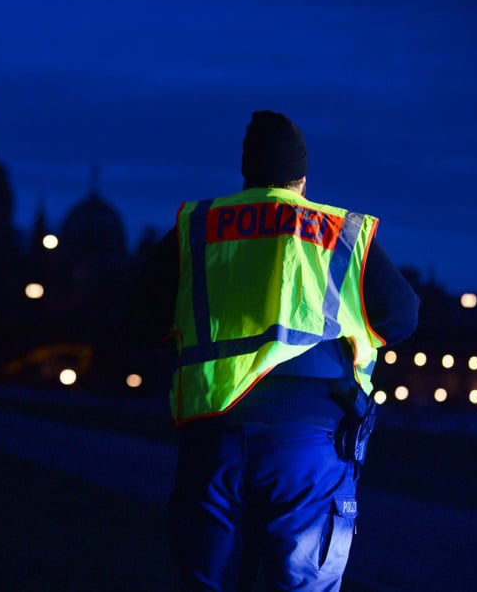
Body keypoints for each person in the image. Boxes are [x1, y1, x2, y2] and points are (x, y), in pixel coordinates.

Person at [123, 110, 419, 591]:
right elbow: (402, 316)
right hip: (310, 440)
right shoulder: (337, 232)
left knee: (206, 581)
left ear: (247, 175)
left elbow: (138, 320)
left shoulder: (198, 227)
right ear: (301, 179)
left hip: (213, 434)